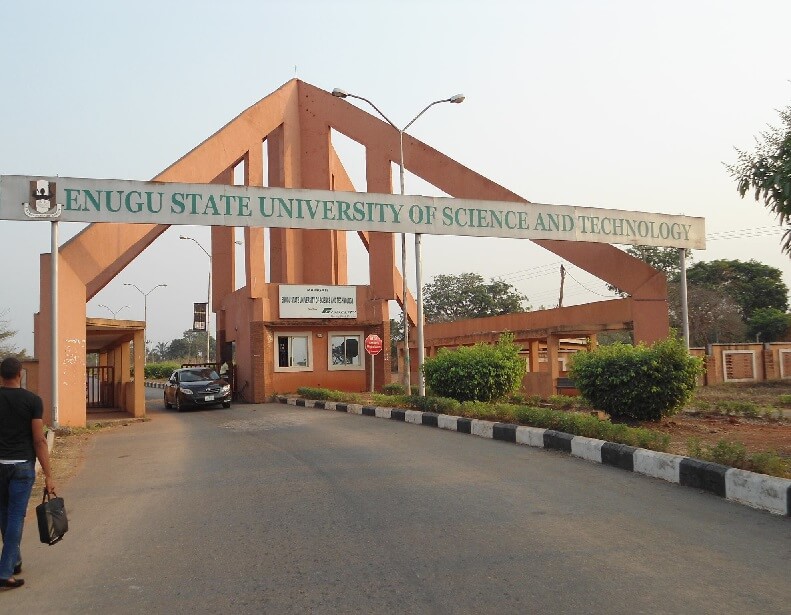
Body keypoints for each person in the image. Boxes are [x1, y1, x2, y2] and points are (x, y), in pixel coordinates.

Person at [0, 357, 55, 590]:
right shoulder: (32, 400)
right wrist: (49, 474)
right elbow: (39, 440)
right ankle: (4, 572)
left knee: (4, 514)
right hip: (22, 465)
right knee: (14, 516)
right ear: (20, 374)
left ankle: (14, 560)